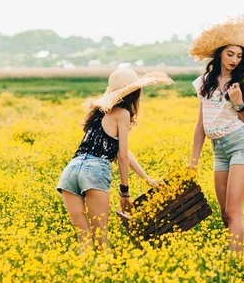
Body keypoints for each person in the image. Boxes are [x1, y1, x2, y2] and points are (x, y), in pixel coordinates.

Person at [57, 67, 173, 252]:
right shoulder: (122, 114)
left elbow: (122, 151)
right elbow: (123, 157)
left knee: (84, 239)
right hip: (94, 172)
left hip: (71, 171)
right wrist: (124, 193)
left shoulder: (98, 112)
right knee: (101, 240)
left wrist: (146, 178)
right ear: (134, 93)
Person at [188, 15, 244, 254]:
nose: (235, 60)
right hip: (219, 151)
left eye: (239, 56)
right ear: (220, 53)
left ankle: (237, 263)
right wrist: (193, 160)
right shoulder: (204, 82)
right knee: (225, 213)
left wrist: (238, 104)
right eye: (230, 54)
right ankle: (235, 255)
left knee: (235, 211)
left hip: (239, 147)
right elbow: (200, 124)